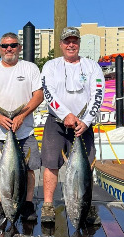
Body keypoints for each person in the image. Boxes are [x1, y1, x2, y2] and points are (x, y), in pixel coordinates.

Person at [0, 32, 43, 221]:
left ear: (19, 47)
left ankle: (27, 204)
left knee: (29, 168)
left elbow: (38, 95)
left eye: (13, 45)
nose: (9, 49)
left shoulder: (30, 68)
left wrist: (21, 115)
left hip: (25, 129)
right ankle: (1, 203)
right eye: (5, 46)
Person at [41, 26, 105, 223]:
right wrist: (66, 114)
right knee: (51, 164)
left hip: (83, 126)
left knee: (87, 167)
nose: (71, 45)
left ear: (79, 43)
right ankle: (48, 206)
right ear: (61, 44)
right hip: (57, 123)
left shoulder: (92, 66)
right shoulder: (51, 66)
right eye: (67, 41)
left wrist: (86, 121)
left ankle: (85, 204)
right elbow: (48, 92)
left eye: (74, 41)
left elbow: (98, 93)